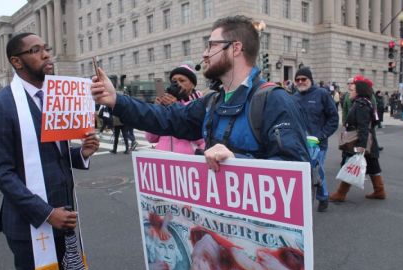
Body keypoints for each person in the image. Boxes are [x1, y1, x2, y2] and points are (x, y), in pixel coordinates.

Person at [91, 15, 310, 172]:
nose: (204, 54)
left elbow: (296, 171)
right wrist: (116, 100)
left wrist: (237, 162)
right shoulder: (212, 102)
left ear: (235, 48)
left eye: (211, 46)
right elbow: (165, 118)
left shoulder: (275, 100)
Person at [0, 32, 99, 270]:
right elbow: (2, 172)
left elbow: (56, 155)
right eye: (36, 50)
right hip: (30, 222)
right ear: (17, 61)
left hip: (64, 214)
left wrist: (83, 153)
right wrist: (46, 213)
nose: (46, 54)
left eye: (46, 48)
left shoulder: (55, 99)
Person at [330, 75, 386, 202]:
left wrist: (361, 146)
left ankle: (340, 194)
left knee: (351, 164)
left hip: (360, 141)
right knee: (372, 165)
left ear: (359, 92)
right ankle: (379, 190)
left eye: (352, 90)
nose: (349, 91)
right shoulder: (366, 103)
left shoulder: (361, 105)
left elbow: (363, 127)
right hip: (368, 141)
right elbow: (374, 122)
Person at [293, 67, 339, 212]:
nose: (300, 82)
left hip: (318, 144)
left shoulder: (322, 94)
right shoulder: (293, 97)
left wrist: (321, 136)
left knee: (316, 171)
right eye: (297, 79)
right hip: (299, 144)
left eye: (303, 79)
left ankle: (323, 196)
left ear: (310, 80)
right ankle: (303, 203)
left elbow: (333, 118)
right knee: (301, 173)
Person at [145, 64, 205, 154]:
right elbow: (151, 138)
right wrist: (157, 110)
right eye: (174, 81)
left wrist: (176, 108)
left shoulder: (200, 105)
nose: (177, 84)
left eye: (182, 80)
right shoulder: (166, 106)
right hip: (163, 161)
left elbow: (204, 140)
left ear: (192, 85)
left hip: (186, 164)